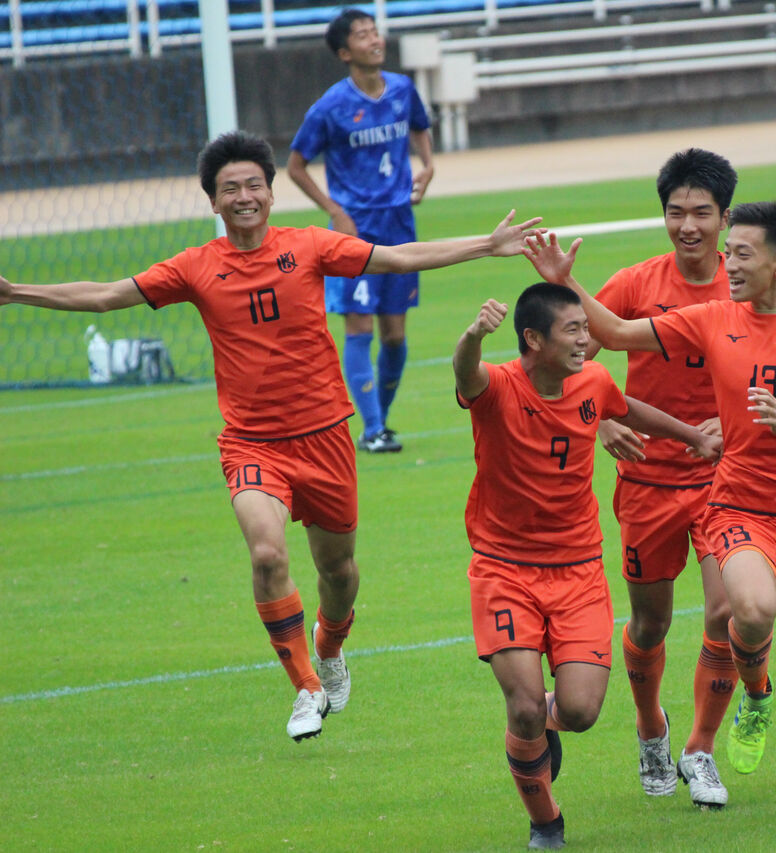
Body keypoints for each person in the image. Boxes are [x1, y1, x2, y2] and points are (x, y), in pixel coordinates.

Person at [0, 131, 541, 743]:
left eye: (253, 185)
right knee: (266, 554)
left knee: (338, 573)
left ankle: (330, 648)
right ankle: (308, 687)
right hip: (252, 444)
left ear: (271, 193)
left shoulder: (309, 247)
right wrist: (17, 293)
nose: (243, 196)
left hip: (326, 437)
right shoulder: (195, 267)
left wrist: (488, 247)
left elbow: (399, 257)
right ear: (213, 202)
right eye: (229, 188)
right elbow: (104, 296)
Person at [525, 202, 776, 821]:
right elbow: (618, 334)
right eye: (728, 251)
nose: (728, 264)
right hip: (737, 500)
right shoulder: (713, 318)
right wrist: (564, 282)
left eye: (741, 254)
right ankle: (753, 695)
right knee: (747, 608)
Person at [454, 284, 721, 849]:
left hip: (577, 572)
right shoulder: (498, 385)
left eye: (586, 327)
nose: (587, 338)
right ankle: (547, 821)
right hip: (503, 571)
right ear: (533, 339)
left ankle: (545, 722)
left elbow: (625, 407)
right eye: (574, 330)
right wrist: (473, 335)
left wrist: (694, 435)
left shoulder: (594, 382)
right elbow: (466, 372)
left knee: (577, 711)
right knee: (521, 707)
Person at [591, 148, 738, 809]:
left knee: (728, 612)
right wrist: (598, 424)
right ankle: (652, 726)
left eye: (701, 212)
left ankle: (700, 748)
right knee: (650, 625)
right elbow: (569, 363)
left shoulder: (748, 284)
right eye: (675, 212)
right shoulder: (632, 284)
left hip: (724, 479)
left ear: (725, 218)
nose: (687, 225)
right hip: (647, 480)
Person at [288, 7, 435, 453]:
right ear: (344, 51)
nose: (374, 39)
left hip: (398, 223)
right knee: (359, 326)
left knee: (395, 333)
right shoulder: (330, 107)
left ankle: (379, 422)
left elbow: (421, 130)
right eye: (362, 34)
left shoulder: (403, 89)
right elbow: (295, 165)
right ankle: (372, 430)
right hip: (354, 230)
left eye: (375, 31)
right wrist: (334, 209)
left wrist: (427, 168)